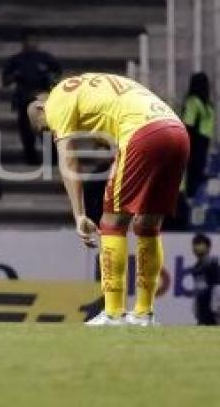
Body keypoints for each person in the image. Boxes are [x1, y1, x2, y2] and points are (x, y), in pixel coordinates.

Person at [27, 73, 189, 326]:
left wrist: (79, 214)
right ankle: (144, 314)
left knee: (112, 222)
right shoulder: (85, 84)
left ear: (40, 108)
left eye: (46, 127)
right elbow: (114, 109)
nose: (52, 131)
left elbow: (68, 160)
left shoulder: (56, 101)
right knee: (147, 225)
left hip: (143, 134)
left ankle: (113, 314)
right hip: (176, 131)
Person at [2, 32, 62, 165]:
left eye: (34, 41)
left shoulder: (46, 58)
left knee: (46, 134)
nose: (32, 44)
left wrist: (49, 76)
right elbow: (5, 81)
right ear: (23, 42)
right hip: (24, 100)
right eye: (29, 41)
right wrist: (15, 75)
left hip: (42, 101)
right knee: (27, 134)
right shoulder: (15, 60)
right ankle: (31, 160)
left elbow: (58, 76)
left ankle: (53, 160)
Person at [182, 73, 215, 199]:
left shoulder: (206, 103)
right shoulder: (193, 102)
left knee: (199, 172)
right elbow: (188, 124)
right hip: (195, 141)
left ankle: (195, 198)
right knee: (193, 172)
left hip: (204, 142)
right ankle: (190, 200)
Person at [191, 233, 219, 325]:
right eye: (195, 244)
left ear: (208, 247)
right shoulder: (196, 267)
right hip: (201, 306)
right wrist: (195, 305)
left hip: (212, 306)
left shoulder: (212, 264)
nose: (196, 247)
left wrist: (215, 305)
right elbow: (197, 288)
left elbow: (217, 286)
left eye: (200, 244)